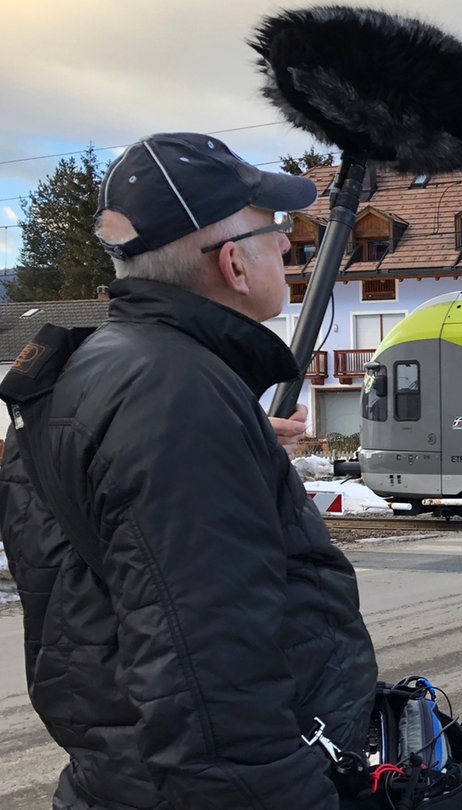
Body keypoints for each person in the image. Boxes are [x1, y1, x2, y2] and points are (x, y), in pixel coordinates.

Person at [0, 132, 378, 809]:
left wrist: (235, 451)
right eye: (275, 229)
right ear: (233, 263)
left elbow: (109, 561)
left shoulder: (108, 370)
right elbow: (210, 679)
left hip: (119, 777)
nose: (288, 246)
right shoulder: (176, 399)